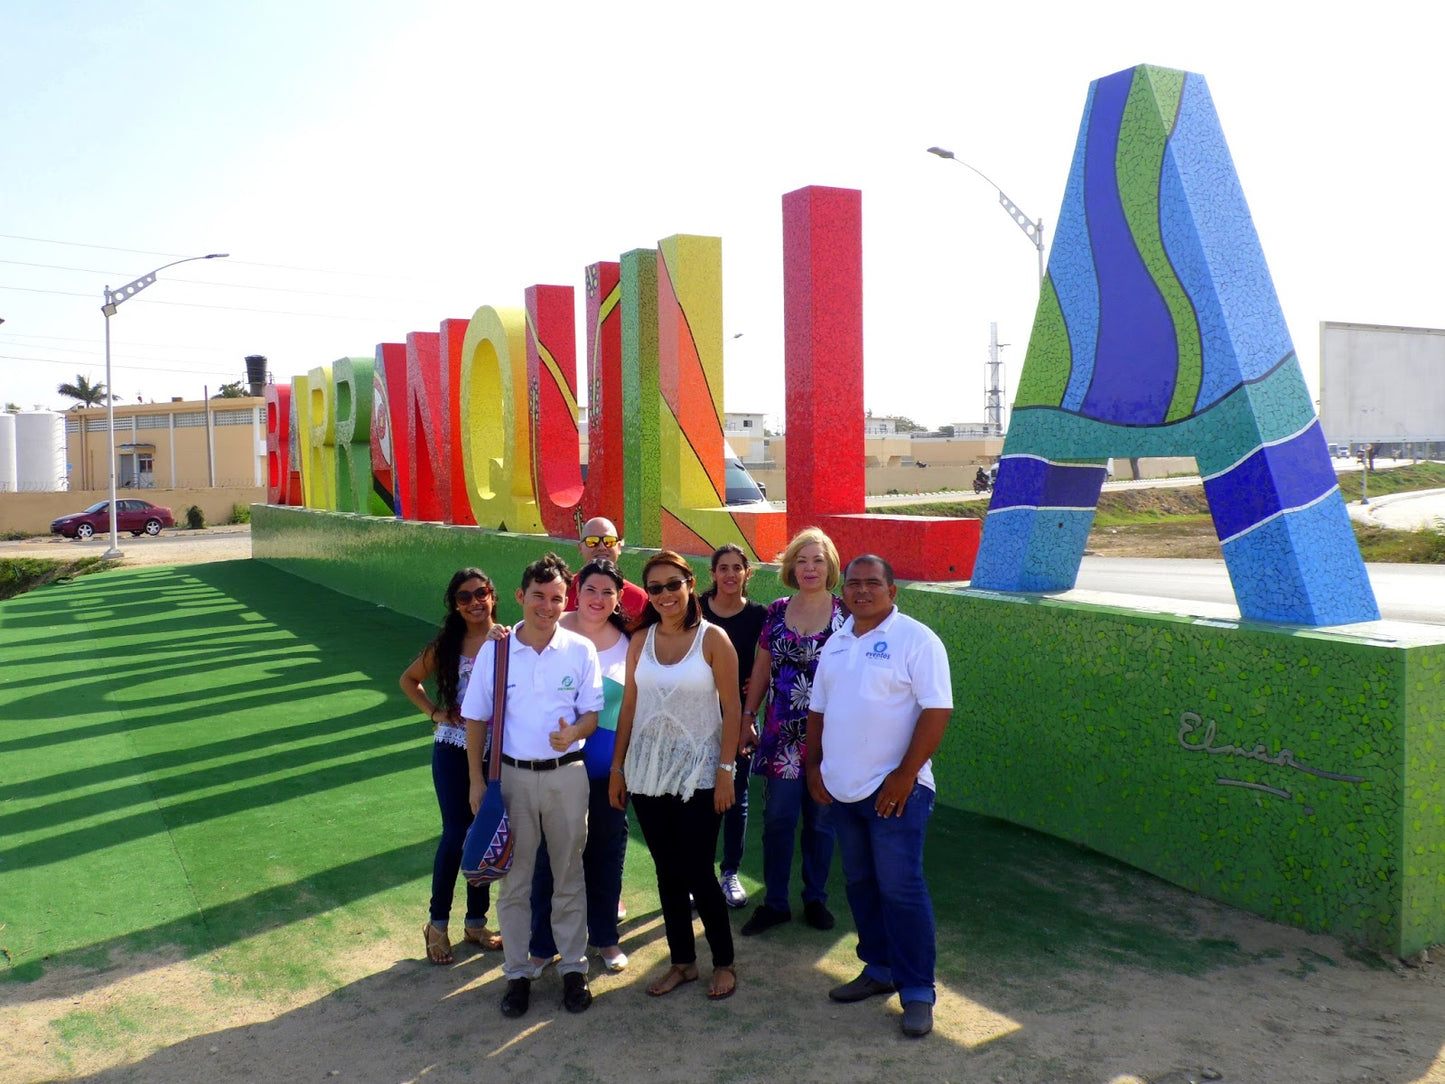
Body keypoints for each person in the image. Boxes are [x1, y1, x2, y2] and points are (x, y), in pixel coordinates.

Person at [805, 555, 953, 1039]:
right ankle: (878, 969)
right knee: (862, 885)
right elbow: (818, 712)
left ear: (893, 590)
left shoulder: (917, 639)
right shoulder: (838, 641)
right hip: (843, 791)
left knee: (901, 888)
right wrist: (813, 766)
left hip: (897, 792)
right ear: (842, 591)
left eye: (872, 583)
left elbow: (937, 710)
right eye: (853, 584)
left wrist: (905, 775)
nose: (862, 591)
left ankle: (917, 991)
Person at [462, 553, 603, 1018]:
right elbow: (476, 717)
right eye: (538, 596)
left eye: (557, 598)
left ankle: (573, 971)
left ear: (567, 602)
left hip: (567, 775)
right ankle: (517, 974)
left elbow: (591, 715)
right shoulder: (496, 649)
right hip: (513, 780)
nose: (547, 606)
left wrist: (574, 734)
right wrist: (477, 780)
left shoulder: (580, 650)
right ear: (521, 596)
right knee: (515, 882)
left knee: (568, 875)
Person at [609, 550, 741, 1000]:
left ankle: (723, 962)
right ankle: (682, 963)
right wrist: (617, 767)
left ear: (690, 584)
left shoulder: (713, 639)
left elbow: (734, 709)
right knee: (667, 871)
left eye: (673, 584)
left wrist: (726, 771)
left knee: (699, 871)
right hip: (646, 771)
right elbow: (629, 705)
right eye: (656, 588)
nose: (665, 594)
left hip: (700, 773)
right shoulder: (639, 640)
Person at [739, 527, 845, 936]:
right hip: (781, 737)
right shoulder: (777, 611)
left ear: (830, 565)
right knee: (779, 820)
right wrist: (749, 716)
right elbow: (762, 669)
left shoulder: (845, 614)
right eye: (801, 560)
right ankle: (775, 902)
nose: (809, 568)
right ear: (791, 567)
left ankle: (815, 899)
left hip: (828, 739)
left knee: (821, 822)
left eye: (817, 560)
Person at [528, 558, 631, 973]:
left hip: (608, 774)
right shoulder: (549, 631)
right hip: (552, 771)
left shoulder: (631, 640)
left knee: (606, 856)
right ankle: (541, 943)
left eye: (608, 592)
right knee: (549, 860)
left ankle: (605, 938)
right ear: (576, 591)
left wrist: (622, 769)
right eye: (591, 589)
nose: (599, 599)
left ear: (619, 598)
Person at [398, 568, 505, 965]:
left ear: (492, 596)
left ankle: (476, 922)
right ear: (455, 605)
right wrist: (435, 713)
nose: (475, 602)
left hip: (495, 752)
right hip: (453, 747)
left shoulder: (509, 640)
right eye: (464, 597)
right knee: (457, 833)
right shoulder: (447, 645)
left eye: (481, 593)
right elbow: (409, 680)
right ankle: (437, 922)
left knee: (485, 831)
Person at [699, 543, 766, 909]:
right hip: (695, 715)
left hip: (737, 718)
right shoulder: (695, 608)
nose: (729, 574)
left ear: (746, 573)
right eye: (722, 568)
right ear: (712, 574)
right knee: (698, 798)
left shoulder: (758, 615)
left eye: (736, 568)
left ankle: (730, 873)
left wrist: (748, 708)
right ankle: (700, 875)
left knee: (736, 798)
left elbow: (763, 665)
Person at [569, 516, 648, 619]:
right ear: (580, 548)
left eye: (609, 541)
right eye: (592, 541)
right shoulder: (562, 591)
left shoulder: (638, 598)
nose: (602, 547)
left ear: (619, 547)